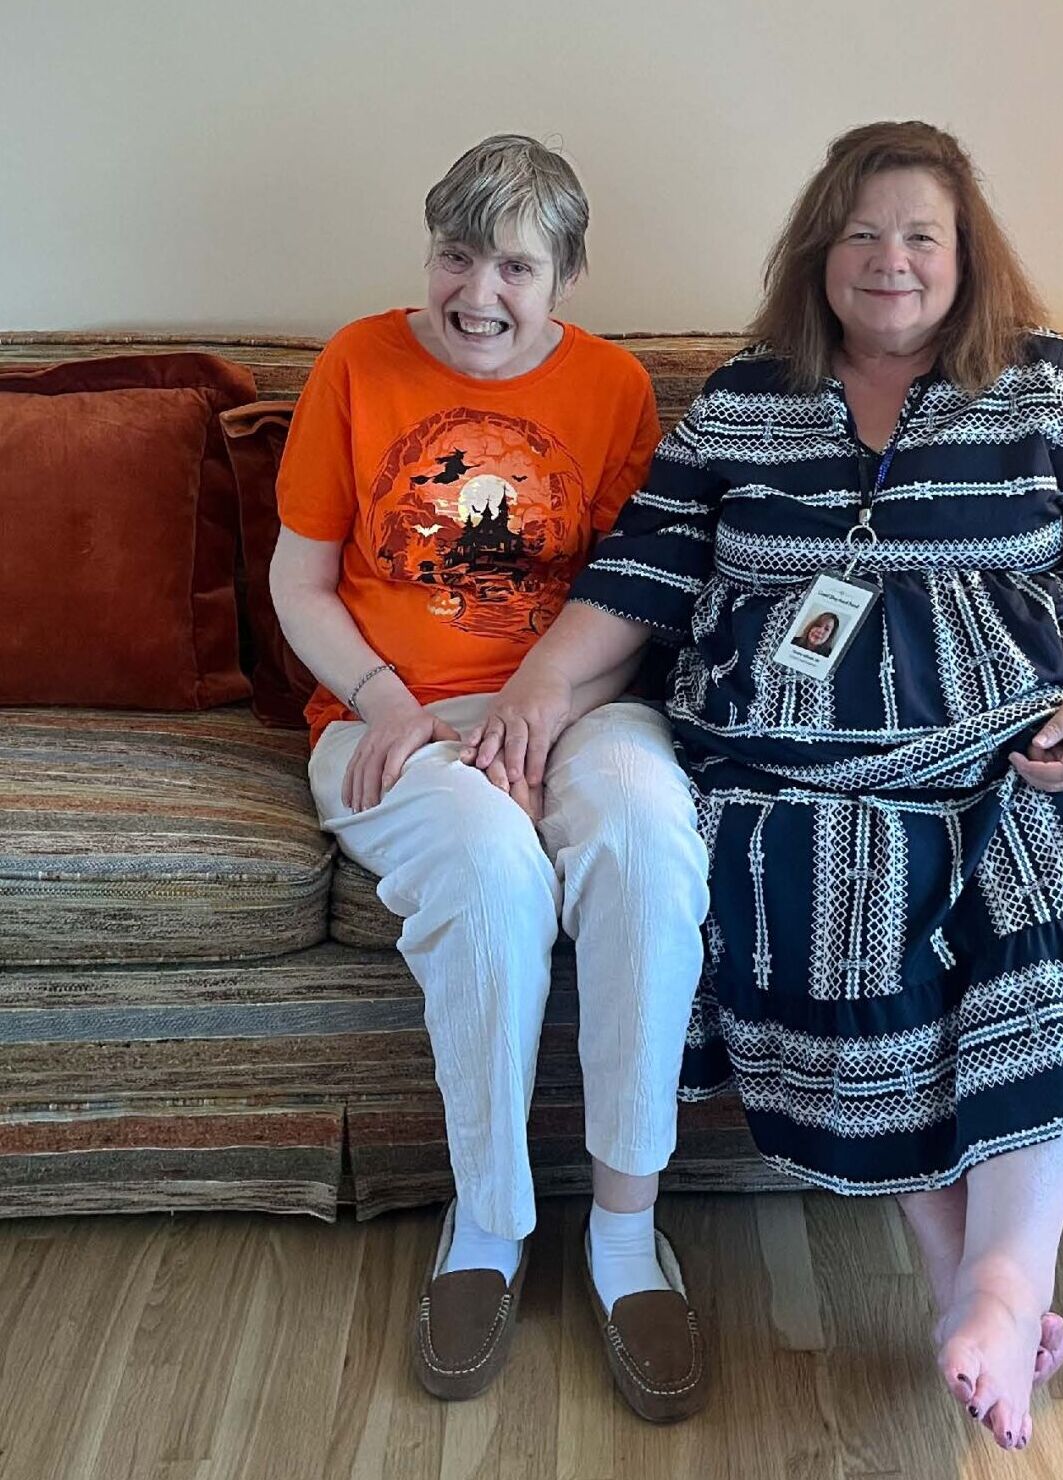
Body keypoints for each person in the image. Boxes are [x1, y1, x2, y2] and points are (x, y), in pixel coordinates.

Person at [474, 121, 1063, 1450]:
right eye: (861, 233)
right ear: (819, 253)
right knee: (818, 865)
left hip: (1027, 714)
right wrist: (536, 690)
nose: (890, 260)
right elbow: (641, 577)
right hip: (781, 745)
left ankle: (1004, 1274)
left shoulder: (1041, 382)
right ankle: (973, 1281)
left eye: (920, 235)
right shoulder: (743, 396)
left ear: (965, 257)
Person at [268, 134, 711, 1423]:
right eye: (458, 255)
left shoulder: (617, 387)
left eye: (515, 264)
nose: (480, 292)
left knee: (643, 835)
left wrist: (540, 714)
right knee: (487, 861)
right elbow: (299, 583)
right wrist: (390, 703)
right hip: (387, 717)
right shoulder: (355, 364)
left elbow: (634, 595)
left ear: (563, 275)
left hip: (577, 704)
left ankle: (626, 1231)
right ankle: (490, 1225)